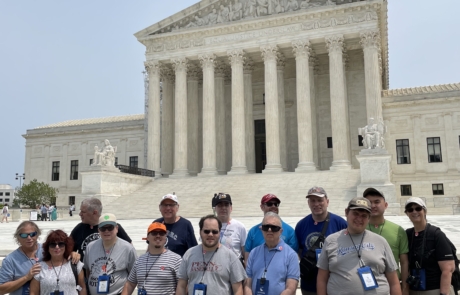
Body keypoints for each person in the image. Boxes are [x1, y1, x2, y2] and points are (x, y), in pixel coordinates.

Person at [317, 197, 401, 295]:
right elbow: (322, 279)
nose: (359, 219)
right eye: (355, 214)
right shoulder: (331, 241)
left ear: (369, 218)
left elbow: (394, 282)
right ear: (346, 212)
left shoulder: (381, 241)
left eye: (364, 215)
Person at [175, 214, 247, 295]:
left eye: (214, 231)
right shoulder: (189, 254)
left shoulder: (231, 257)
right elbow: (181, 285)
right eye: (206, 231)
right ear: (200, 232)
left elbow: (238, 290)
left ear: (219, 232)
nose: (210, 234)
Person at [295, 186, 348, 295]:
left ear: (327, 202)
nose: (316, 204)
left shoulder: (340, 223)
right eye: (313, 201)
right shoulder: (301, 225)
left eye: (320, 200)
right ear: (308, 203)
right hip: (309, 284)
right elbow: (300, 251)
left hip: (334, 283)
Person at [404, 197, 456, 295]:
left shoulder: (436, 234)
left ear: (425, 211)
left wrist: (443, 293)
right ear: (407, 213)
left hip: (435, 289)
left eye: (418, 208)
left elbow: (448, 268)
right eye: (410, 209)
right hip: (414, 289)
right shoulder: (407, 234)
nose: (414, 211)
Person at [363, 188, 409, 295]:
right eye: (369, 203)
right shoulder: (358, 230)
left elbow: (404, 262)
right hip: (364, 285)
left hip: (392, 285)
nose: (373, 205)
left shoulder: (398, 230)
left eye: (377, 202)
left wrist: (405, 288)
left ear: (386, 205)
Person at [244, 212, 300, 295]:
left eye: (274, 228)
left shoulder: (291, 255)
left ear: (281, 231)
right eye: (266, 227)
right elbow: (247, 284)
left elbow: (291, 287)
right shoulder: (254, 252)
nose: (269, 230)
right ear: (261, 229)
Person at [121, 222, 182, 295]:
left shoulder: (176, 259)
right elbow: (130, 284)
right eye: (154, 233)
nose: (158, 236)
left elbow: (182, 285)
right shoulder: (139, 260)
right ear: (148, 237)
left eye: (162, 233)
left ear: (166, 238)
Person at [84, 213, 137, 295]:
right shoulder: (90, 247)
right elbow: (88, 271)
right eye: (103, 229)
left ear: (116, 228)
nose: (106, 231)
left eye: (110, 228)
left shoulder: (127, 248)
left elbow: (134, 275)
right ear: (98, 230)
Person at [70, 197, 132, 263]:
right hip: (86, 271)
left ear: (94, 213)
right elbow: (67, 249)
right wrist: (72, 253)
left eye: (83, 212)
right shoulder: (79, 228)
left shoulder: (113, 228)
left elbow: (130, 250)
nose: (80, 214)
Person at [245, 194, 298, 264]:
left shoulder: (289, 231)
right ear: (262, 207)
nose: (273, 206)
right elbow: (247, 259)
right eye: (269, 204)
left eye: (276, 204)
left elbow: (294, 258)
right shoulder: (253, 231)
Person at [30, 230, 86, 295]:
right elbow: (33, 293)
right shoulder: (39, 268)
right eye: (53, 245)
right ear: (47, 247)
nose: (57, 247)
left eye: (61, 244)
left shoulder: (75, 265)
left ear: (66, 246)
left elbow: (82, 288)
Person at [0, 222, 44, 295]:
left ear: (37, 235)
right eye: (24, 235)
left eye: (32, 234)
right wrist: (26, 277)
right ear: (18, 237)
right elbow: (1, 290)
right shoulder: (10, 260)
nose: (29, 238)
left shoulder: (48, 250)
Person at [212, 193, 247, 264]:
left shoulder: (239, 226)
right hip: (215, 265)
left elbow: (245, 252)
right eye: (220, 205)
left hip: (235, 265)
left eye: (226, 205)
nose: (223, 208)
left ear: (231, 208)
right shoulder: (210, 225)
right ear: (215, 208)